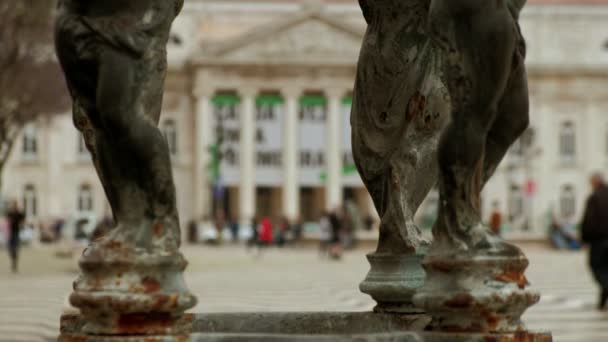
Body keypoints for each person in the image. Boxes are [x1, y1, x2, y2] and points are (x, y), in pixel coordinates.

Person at [581, 173, 608, 310]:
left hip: (599, 241)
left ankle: (606, 289)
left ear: (595, 183)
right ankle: (602, 302)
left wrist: (584, 238)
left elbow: (589, 221)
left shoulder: (594, 197)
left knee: (597, 267)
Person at [6, 200, 25, 273]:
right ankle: (13, 259)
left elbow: (23, 221)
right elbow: (7, 221)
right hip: (10, 232)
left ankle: (15, 263)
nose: (13, 206)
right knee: (10, 248)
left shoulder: (19, 213)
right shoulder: (10, 213)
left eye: (14, 205)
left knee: (16, 248)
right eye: (12, 205)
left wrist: (21, 224)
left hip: (16, 232)